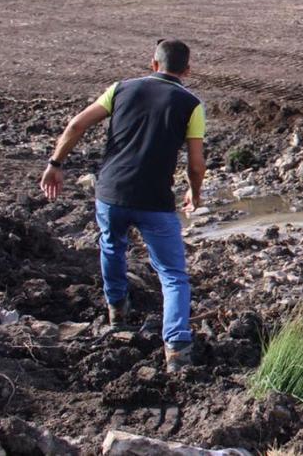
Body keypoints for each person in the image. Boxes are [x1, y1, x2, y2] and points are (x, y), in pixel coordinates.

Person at [39, 39, 206, 373]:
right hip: (155, 201)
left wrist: (55, 163)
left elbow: (77, 124)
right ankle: (176, 349)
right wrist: (194, 191)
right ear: (187, 70)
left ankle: (117, 312)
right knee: (173, 276)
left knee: (112, 246)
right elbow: (196, 163)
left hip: (111, 193)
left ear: (153, 64)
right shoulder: (191, 104)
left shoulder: (120, 89)